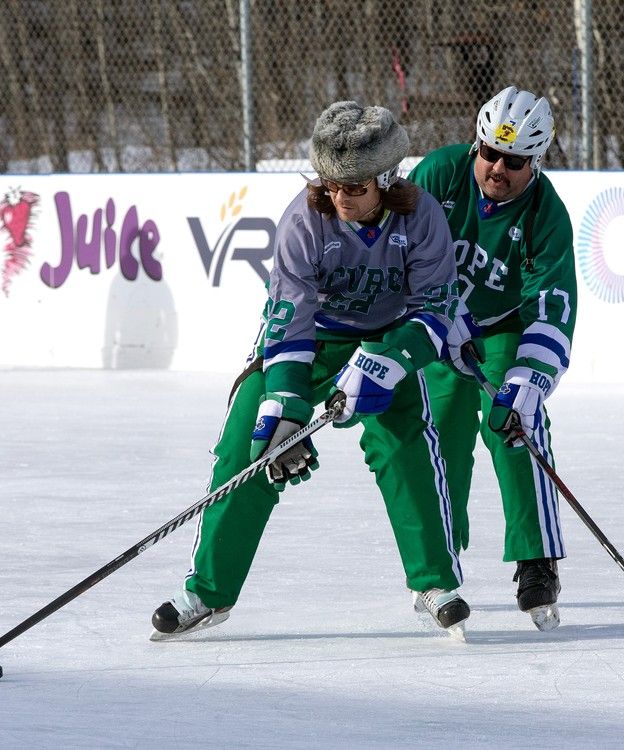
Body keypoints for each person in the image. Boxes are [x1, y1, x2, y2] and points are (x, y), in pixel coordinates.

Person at [151, 101, 470, 638]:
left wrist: (392, 363)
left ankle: (434, 583)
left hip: (389, 337)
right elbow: (286, 319)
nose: (339, 197)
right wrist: (284, 406)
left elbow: (435, 311)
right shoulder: (304, 218)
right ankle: (208, 591)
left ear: (387, 179)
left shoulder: (423, 219)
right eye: (330, 184)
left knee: (405, 443)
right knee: (246, 444)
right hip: (313, 338)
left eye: (355, 187)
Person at [408, 87, 576, 630]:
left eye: (515, 160)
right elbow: (395, 253)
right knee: (439, 432)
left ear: (537, 160)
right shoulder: (438, 175)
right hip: (439, 325)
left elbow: (552, 309)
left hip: (505, 329)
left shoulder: (546, 215)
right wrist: (433, 314)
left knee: (514, 426)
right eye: (489, 152)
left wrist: (527, 382)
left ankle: (537, 559)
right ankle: (440, 563)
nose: (498, 167)